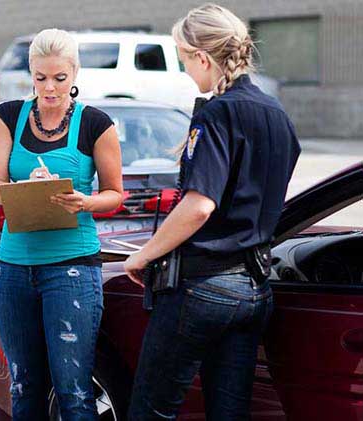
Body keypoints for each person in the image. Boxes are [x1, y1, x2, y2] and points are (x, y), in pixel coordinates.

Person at [123, 4, 301, 419]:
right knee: (230, 413)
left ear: (202, 57)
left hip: (202, 287)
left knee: (150, 410)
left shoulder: (218, 113)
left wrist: (144, 254)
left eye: (184, 59)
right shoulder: (277, 114)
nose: (186, 71)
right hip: (255, 288)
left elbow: (200, 205)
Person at [0, 28, 124, 420]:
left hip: (72, 269)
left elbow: (115, 193)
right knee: (24, 386)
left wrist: (85, 201)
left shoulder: (96, 123)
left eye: (59, 79)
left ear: (75, 74)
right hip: (13, 267)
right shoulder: (9, 116)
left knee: (73, 390)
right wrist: (25, 189)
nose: (50, 88)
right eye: (41, 78)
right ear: (31, 73)